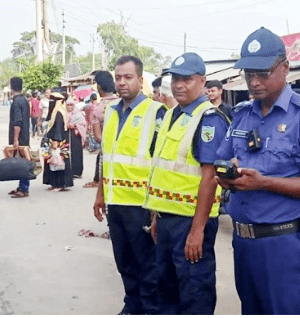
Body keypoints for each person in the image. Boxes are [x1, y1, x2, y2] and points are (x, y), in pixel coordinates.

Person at [215, 27, 300, 315]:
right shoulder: (243, 114)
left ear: (285, 67)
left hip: (283, 245)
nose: (254, 82)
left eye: (262, 73)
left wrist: (264, 183)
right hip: (244, 242)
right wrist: (228, 174)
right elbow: (224, 161)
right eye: (248, 74)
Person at [144, 52, 228, 314]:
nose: (179, 85)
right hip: (169, 219)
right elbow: (163, 171)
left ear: (202, 81)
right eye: (176, 79)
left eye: (187, 79)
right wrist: (157, 216)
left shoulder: (209, 119)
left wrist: (197, 230)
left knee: (194, 293)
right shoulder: (172, 115)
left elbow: (209, 177)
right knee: (167, 291)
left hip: (191, 222)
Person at [93, 55, 167, 315]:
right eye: (118, 77)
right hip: (116, 203)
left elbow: (160, 165)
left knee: (148, 266)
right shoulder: (111, 112)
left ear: (140, 79)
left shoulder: (157, 113)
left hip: (142, 205)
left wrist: (157, 210)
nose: (122, 83)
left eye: (128, 77)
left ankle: (148, 309)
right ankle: (132, 305)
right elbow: (107, 157)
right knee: (124, 263)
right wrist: (100, 194)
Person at [83, 71, 118, 189]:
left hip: (107, 150)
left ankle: (97, 181)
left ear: (99, 87)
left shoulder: (98, 109)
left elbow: (98, 136)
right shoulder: (124, 104)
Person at [43, 92, 74, 191]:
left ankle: (59, 184)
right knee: (54, 162)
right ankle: (55, 183)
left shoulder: (59, 112)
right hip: (55, 139)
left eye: (53, 100)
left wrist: (56, 140)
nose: (51, 102)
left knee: (58, 162)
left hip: (58, 141)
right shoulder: (56, 111)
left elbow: (58, 127)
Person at [7, 77, 31, 198]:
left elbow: (18, 122)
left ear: (11, 87)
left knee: (22, 163)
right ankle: (22, 186)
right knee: (23, 161)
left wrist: (15, 139)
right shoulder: (25, 100)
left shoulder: (16, 102)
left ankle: (24, 188)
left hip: (20, 137)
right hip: (25, 136)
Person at [65, 98, 87, 179]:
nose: (70, 107)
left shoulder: (78, 114)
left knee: (76, 153)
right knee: (66, 153)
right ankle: (68, 171)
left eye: (71, 105)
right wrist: (66, 125)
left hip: (75, 136)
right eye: (68, 105)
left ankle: (77, 172)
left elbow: (83, 123)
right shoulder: (64, 114)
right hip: (66, 135)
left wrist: (75, 125)